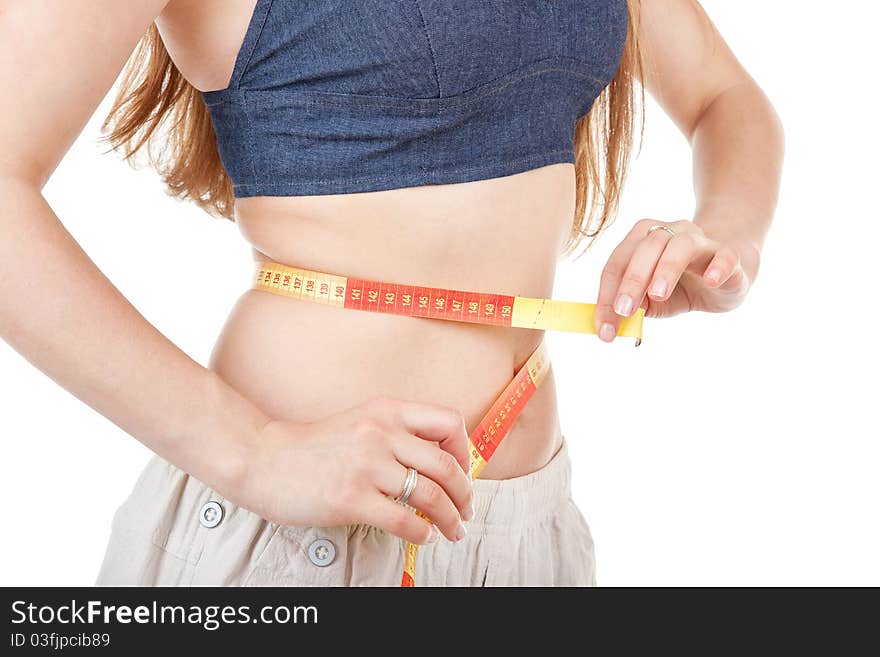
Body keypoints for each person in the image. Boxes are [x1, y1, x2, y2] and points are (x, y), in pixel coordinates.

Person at [0, 0, 782, 586]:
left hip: (527, 533)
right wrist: (251, 452)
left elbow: (724, 95)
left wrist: (724, 234)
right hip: (303, 542)